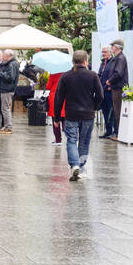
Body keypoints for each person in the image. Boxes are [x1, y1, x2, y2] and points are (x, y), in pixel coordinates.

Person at [54, 50, 103, 182]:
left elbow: (59, 98)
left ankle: (74, 164)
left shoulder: (66, 76)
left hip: (71, 114)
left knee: (71, 140)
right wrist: (94, 107)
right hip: (88, 114)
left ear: (73, 61)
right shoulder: (93, 75)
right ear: (86, 61)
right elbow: (100, 96)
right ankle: (80, 168)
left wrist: (57, 117)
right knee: (84, 141)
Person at [105, 39, 128, 139]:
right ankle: (117, 133)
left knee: (117, 110)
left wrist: (110, 81)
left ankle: (118, 134)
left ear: (117, 47)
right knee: (116, 110)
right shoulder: (118, 57)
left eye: (113, 46)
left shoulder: (120, 58)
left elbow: (118, 73)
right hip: (116, 87)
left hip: (118, 88)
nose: (112, 48)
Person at [0, 50, 19, 134]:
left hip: (7, 89)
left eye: (4, 55)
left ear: (8, 56)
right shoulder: (11, 63)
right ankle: (6, 126)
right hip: (6, 89)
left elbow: (10, 78)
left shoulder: (12, 64)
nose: (3, 57)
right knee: (5, 108)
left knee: (5, 108)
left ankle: (8, 127)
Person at [97, 45, 115, 137]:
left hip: (109, 90)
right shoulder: (103, 62)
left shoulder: (113, 62)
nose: (103, 54)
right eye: (102, 52)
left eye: (105, 52)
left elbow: (115, 75)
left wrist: (111, 84)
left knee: (112, 112)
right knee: (105, 111)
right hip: (102, 90)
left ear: (110, 52)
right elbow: (100, 74)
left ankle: (114, 131)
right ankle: (108, 131)